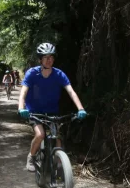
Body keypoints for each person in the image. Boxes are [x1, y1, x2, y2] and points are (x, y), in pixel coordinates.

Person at [18, 42, 87, 172]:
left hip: (52, 111)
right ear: (40, 59)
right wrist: (22, 108)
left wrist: (81, 108)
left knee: (57, 137)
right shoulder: (32, 73)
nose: (49, 60)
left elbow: (71, 92)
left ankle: (60, 165)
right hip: (34, 111)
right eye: (46, 57)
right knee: (40, 135)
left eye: (51, 57)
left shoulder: (59, 74)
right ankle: (31, 156)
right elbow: (23, 93)